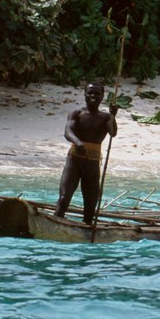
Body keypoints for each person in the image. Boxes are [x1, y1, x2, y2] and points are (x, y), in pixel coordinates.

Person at [54, 82, 118, 224]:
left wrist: (114, 116)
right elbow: (67, 132)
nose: (93, 96)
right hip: (74, 161)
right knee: (64, 198)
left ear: (102, 96)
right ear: (84, 95)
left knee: (90, 206)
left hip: (93, 165)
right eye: (90, 93)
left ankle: (86, 231)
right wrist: (77, 142)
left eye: (96, 93)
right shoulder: (77, 114)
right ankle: (56, 222)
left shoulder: (106, 117)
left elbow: (113, 133)